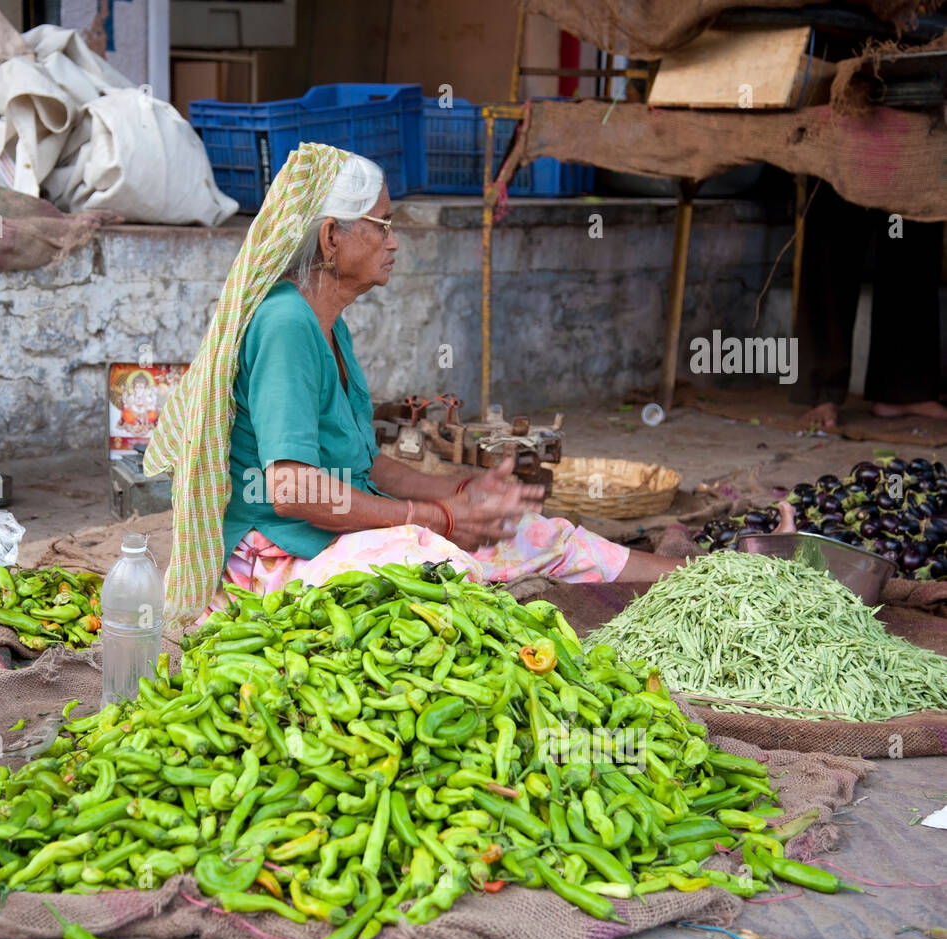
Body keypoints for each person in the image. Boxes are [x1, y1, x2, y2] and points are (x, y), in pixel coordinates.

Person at [146, 145, 790, 625]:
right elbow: (290, 489)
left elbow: (366, 465)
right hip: (279, 559)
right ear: (332, 236)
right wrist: (430, 516)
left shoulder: (329, 326)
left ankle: (709, 581)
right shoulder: (287, 325)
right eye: (384, 225)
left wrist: (460, 492)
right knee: (443, 566)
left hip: (330, 534)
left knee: (531, 530)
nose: (395, 243)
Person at [793, 179, 945, 428]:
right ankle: (823, 389)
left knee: (907, 228)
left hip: (906, 154)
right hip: (844, 150)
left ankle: (903, 389)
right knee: (834, 227)